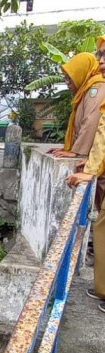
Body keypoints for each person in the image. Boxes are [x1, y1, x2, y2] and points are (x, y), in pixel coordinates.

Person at [66, 37, 105, 313]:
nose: (101, 60)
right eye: (99, 55)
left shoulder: (95, 90)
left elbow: (96, 129)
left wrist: (87, 166)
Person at [48, 52, 105, 159]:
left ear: (81, 73)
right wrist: (69, 148)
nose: (67, 83)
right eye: (66, 78)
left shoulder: (97, 86)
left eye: (71, 78)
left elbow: (91, 120)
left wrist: (77, 151)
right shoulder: (86, 89)